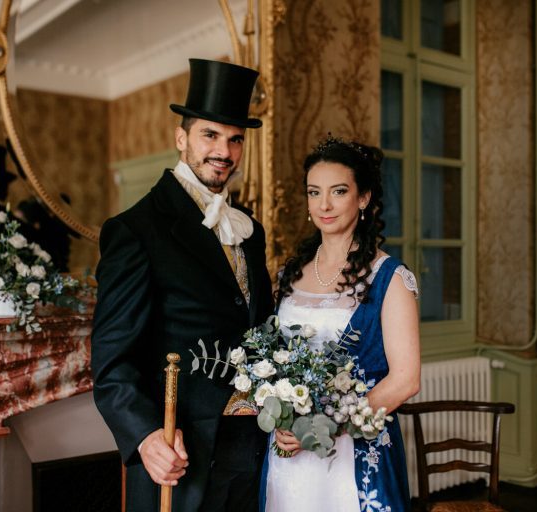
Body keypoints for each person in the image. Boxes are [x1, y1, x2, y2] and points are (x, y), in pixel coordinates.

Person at [92, 59, 274, 512]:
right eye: (210, 135)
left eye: (236, 139)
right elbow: (111, 361)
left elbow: (260, 329)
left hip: (251, 446)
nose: (224, 151)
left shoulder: (251, 230)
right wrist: (146, 436)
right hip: (179, 452)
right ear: (181, 139)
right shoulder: (135, 230)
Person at [260, 136, 421, 511]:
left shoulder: (389, 278)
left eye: (338, 191)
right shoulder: (288, 273)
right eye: (314, 193)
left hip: (355, 452)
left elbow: (405, 380)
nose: (324, 205)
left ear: (363, 197)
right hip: (288, 456)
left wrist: (322, 427)